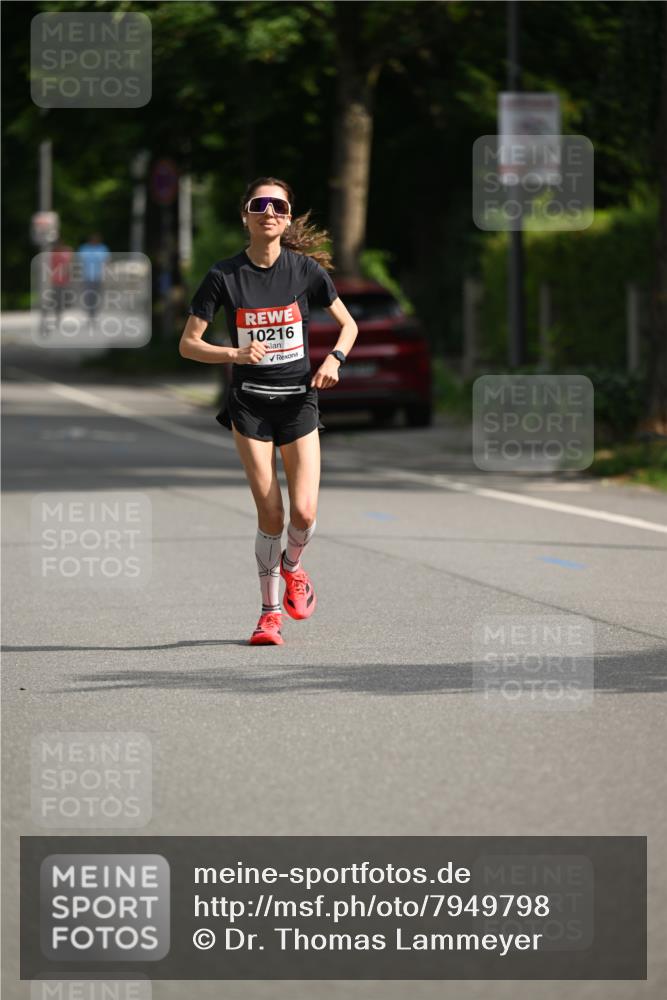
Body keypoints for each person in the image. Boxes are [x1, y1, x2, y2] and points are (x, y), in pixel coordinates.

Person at [179, 176, 358, 645]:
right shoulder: (224, 276)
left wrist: (334, 361)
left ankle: (293, 567)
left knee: (303, 511)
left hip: (299, 401)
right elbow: (189, 345)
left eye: (279, 205)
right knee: (272, 514)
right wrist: (234, 355)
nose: (269, 211)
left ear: (287, 216)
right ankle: (269, 615)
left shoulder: (305, 272)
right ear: (246, 215)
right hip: (250, 406)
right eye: (260, 204)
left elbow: (348, 326)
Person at [77, 233, 110, 326]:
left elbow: (106, 264)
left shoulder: (103, 249)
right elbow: (80, 264)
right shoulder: (84, 249)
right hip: (87, 277)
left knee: (97, 297)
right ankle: (89, 315)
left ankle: (94, 315)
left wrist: (105, 277)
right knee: (88, 298)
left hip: (98, 277)